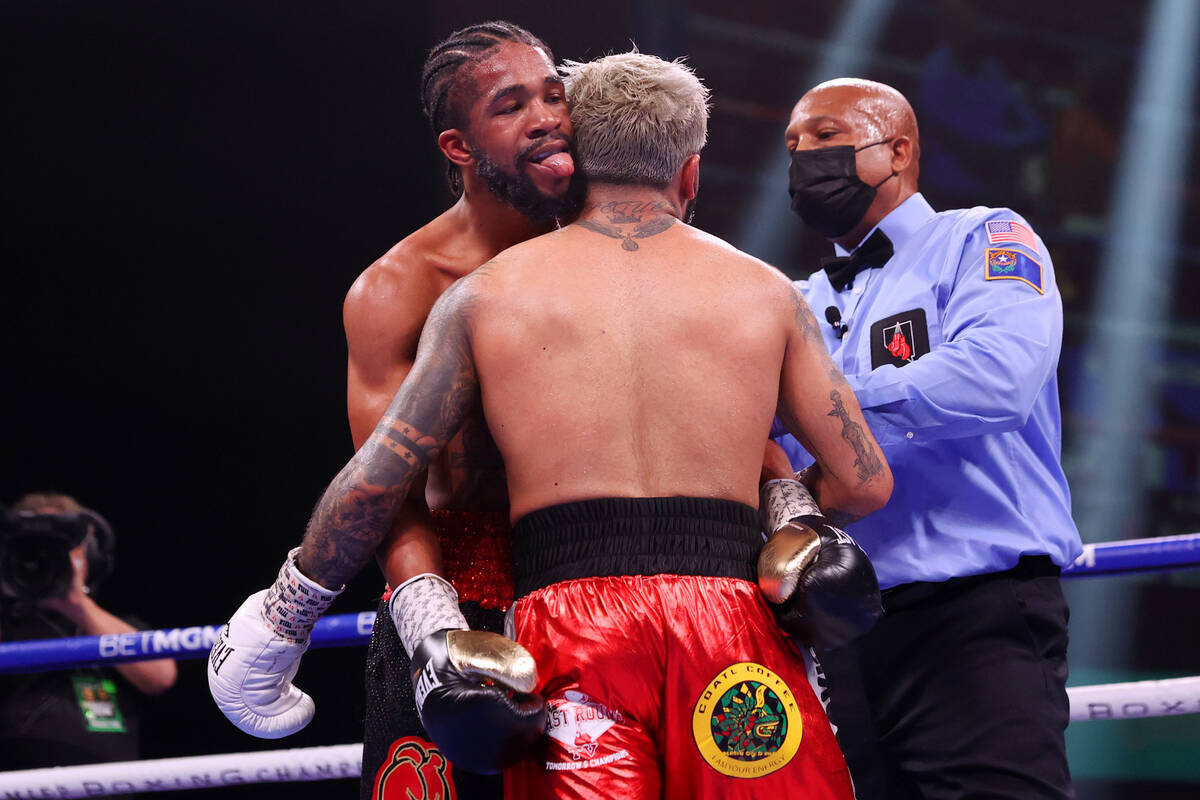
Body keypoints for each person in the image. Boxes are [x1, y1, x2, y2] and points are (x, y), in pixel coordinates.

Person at [208, 52, 893, 799]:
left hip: (567, 623)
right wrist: (790, 515)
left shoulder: (485, 298)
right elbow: (863, 480)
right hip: (724, 618)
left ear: (575, 158)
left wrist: (284, 616)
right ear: (690, 173)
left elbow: (378, 479)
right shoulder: (764, 291)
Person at [779, 77, 1083, 799]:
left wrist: (826, 414)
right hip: (833, 631)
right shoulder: (786, 302)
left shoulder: (983, 238)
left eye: (824, 136)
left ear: (899, 149)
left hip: (974, 616)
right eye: (792, 146)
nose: (802, 157)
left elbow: (998, 376)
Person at [345, 21, 582, 800]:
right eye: (512, 105)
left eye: (554, 93)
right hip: (462, 585)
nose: (547, 115)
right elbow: (387, 489)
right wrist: (437, 633)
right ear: (459, 147)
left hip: (600, 577)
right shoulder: (400, 289)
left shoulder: (614, 245)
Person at [0, 493, 177, 770]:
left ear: (88, 557)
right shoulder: (6, 629)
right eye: (37, 550)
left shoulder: (117, 626)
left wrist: (78, 605)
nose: (48, 560)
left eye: (61, 548)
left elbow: (161, 675)